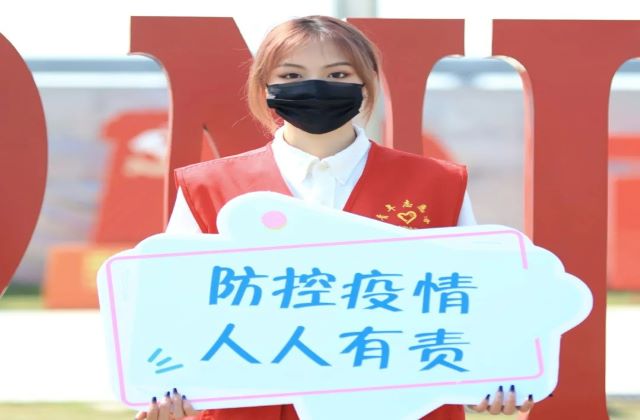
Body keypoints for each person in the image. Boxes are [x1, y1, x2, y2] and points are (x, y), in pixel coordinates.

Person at [136, 15, 534, 420]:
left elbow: (473, 299)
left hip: (393, 403)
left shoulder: (436, 184)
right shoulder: (209, 187)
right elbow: (174, 304)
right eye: (292, 75)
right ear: (264, 86)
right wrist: (163, 386)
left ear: (366, 83)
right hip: (254, 406)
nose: (315, 87)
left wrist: (492, 377)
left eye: (337, 74)